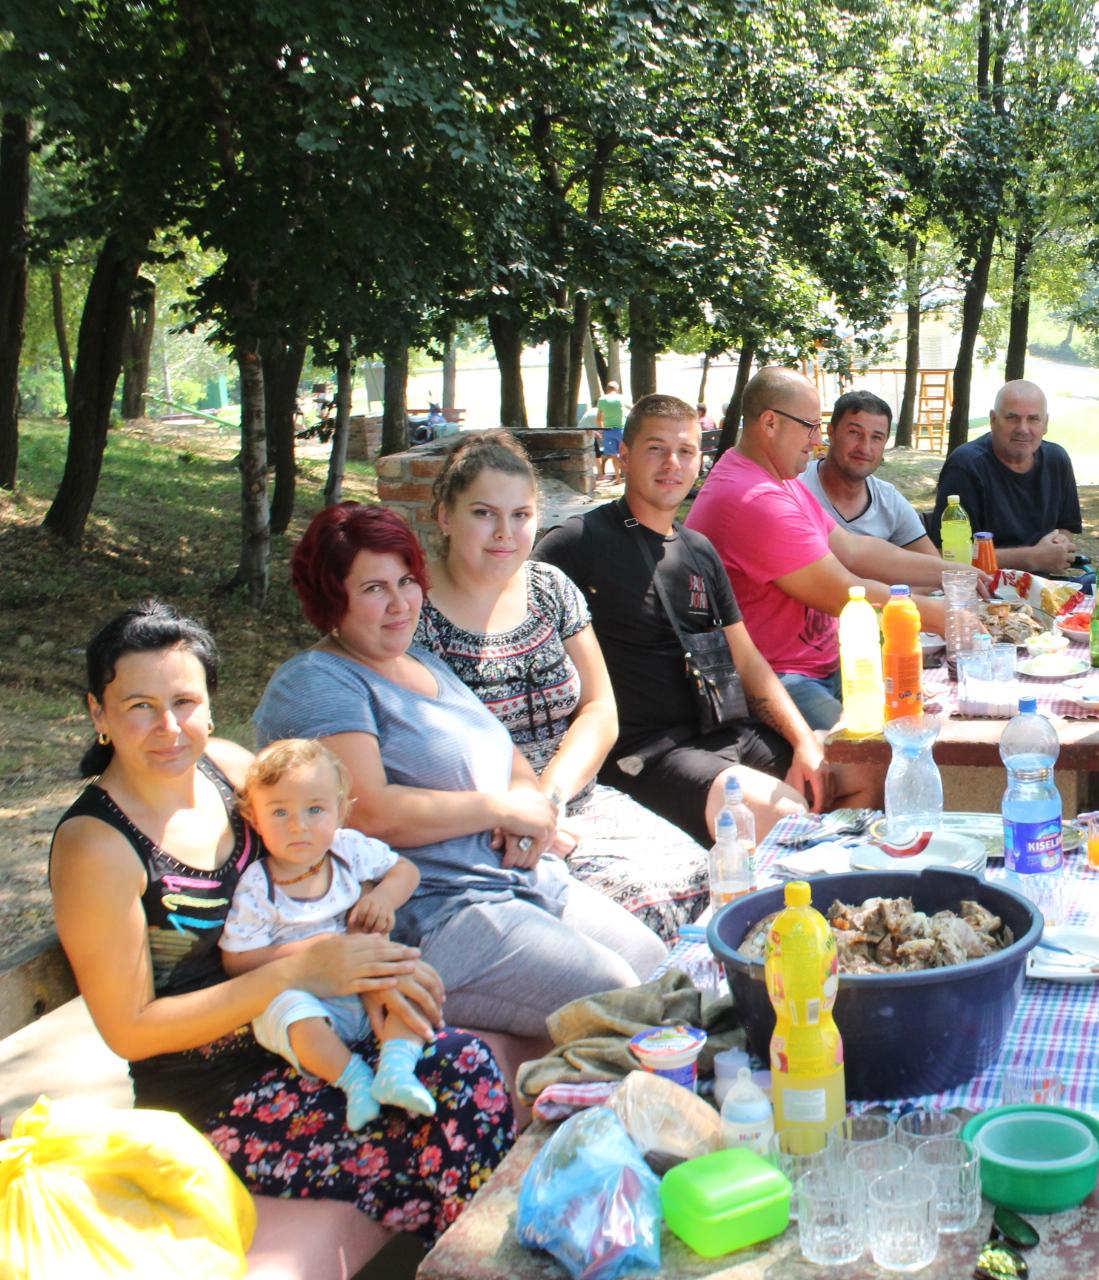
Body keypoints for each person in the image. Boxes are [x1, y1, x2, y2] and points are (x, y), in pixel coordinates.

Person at [49, 602, 510, 1242]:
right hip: (216, 1094)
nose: (169, 727)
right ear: (98, 713)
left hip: (318, 1030)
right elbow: (131, 1031)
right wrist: (302, 969)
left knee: (465, 1068)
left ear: (211, 703)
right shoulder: (97, 847)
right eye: (138, 706)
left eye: (185, 701)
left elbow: (334, 853)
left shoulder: (233, 772)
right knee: (423, 1146)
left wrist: (377, 967)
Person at [255, 503, 669, 1038]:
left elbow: (507, 758)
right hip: (435, 913)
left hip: (519, 880)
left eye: (405, 580)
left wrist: (533, 816)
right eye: (373, 589)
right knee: (620, 996)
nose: (400, 603)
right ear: (331, 597)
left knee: (655, 961)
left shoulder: (421, 662)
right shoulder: (317, 684)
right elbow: (370, 813)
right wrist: (500, 808)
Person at [415, 430, 711, 939]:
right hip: (479, 825)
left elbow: (599, 709)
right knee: (636, 909)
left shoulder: (550, 589)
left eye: (521, 515)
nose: (505, 533)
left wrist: (550, 797)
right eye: (484, 514)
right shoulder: (413, 612)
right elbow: (422, 752)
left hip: (574, 797)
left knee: (702, 874)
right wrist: (520, 813)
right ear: (445, 515)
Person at [538, 393, 869, 843]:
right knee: (786, 813)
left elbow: (749, 663)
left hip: (728, 730)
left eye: (686, 451)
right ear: (625, 454)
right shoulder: (578, 543)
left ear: (700, 461)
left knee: (865, 773)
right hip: (652, 753)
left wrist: (804, 742)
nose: (671, 463)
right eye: (656, 449)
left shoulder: (698, 549)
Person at [684, 368, 949, 729]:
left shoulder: (778, 479)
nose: (817, 439)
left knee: (930, 716)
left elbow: (854, 549)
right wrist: (943, 616)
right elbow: (843, 592)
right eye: (810, 425)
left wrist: (960, 574)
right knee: (875, 754)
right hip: (780, 679)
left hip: (829, 665)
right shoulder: (753, 498)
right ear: (771, 423)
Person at [220, 739, 437, 1130]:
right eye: (280, 811)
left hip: (362, 980)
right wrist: (307, 953)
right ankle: (354, 1080)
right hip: (308, 995)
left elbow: (405, 869)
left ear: (340, 811)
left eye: (315, 809)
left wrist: (385, 899)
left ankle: (396, 1068)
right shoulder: (258, 884)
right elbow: (238, 961)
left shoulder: (346, 850)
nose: (298, 825)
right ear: (253, 818)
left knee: (413, 976)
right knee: (287, 1012)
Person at [931, 379, 1083, 574]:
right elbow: (946, 553)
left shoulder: (1057, 460)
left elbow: (1066, 527)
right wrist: (1032, 558)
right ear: (993, 420)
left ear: (1045, 424)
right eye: (1012, 418)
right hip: (986, 589)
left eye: (1033, 419)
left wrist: (1060, 542)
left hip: (1045, 589)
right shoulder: (966, 466)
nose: (1022, 428)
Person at [800, 390, 941, 554]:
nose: (864, 448)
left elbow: (931, 566)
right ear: (831, 432)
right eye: (854, 433)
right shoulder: (795, 487)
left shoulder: (889, 501)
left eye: (876, 437)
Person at [596, 380, 626, 480]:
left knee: (613, 455)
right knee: (624, 453)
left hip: (608, 430)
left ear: (607, 389)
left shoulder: (602, 399)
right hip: (621, 429)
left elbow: (598, 418)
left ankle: (617, 478)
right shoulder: (621, 398)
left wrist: (602, 430)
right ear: (616, 389)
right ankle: (626, 475)